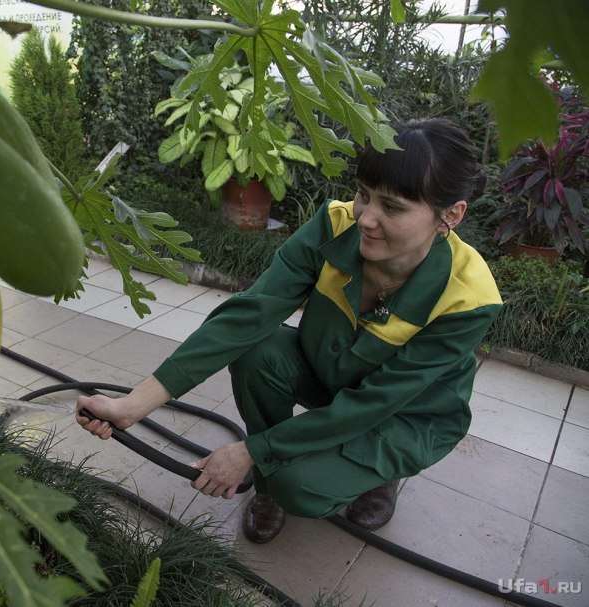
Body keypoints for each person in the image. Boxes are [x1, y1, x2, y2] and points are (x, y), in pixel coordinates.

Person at [76, 118, 502, 544]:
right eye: (363, 195)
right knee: (255, 349)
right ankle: (269, 484)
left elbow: (375, 403)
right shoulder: (334, 227)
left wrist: (250, 452)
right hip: (333, 374)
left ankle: (376, 473)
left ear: (451, 215)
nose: (366, 219)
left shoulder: (467, 298)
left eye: (391, 207)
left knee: (301, 487)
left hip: (402, 413)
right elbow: (247, 317)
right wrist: (133, 405)